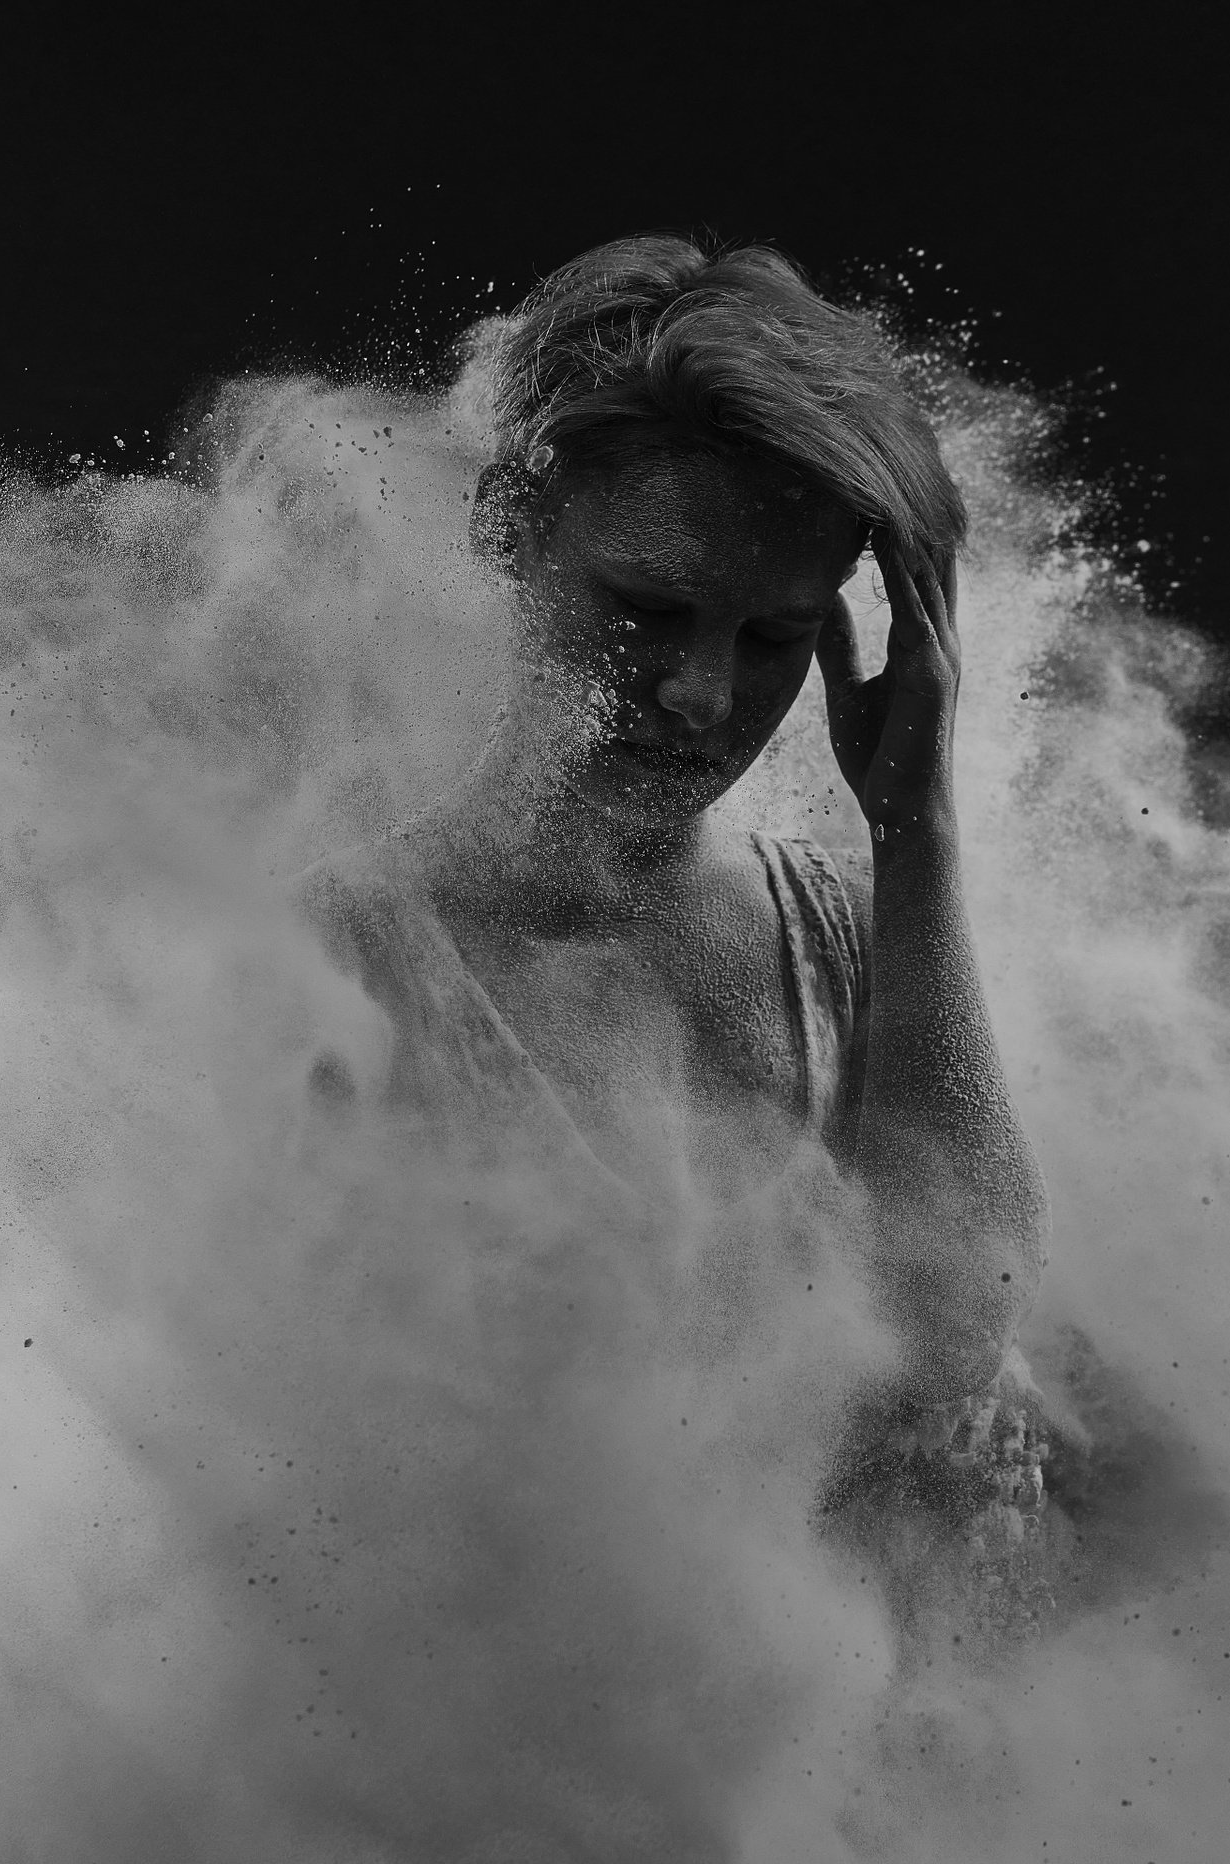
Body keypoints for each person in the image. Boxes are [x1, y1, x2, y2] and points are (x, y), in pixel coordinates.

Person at [304, 234, 1049, 1479]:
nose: (701, 694)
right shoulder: (327, 961)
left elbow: (957, 1337)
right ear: (510, 528)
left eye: (771, 637)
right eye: (647, 610)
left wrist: (915, 826)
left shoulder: (853, 934)